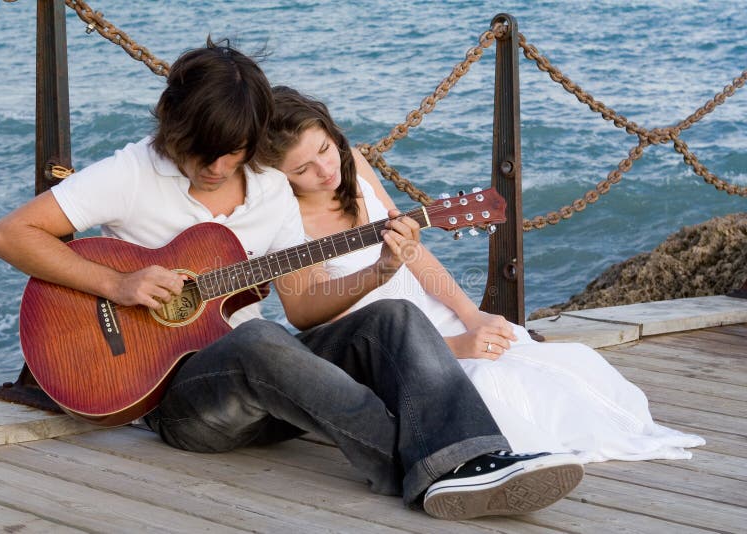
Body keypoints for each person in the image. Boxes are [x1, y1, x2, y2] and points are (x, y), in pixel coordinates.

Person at [0, 39, 584, 520]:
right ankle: (423, 472)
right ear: (174, 129)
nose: (220, 168)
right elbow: (9, 235)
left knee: (391, 317)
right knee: (255, 341)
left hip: (272, 396)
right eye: (205, 154)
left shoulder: (270, 187)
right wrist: (117, 285)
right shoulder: (133, 173)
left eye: (235, 152)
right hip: (182, 403)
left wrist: (380, 270)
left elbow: (302, 310)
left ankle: (477, 457)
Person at [262, 85, 705, 463]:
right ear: (278, 176)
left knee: (560, 363)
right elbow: (316, 318)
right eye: (302, 169)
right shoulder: (284, 214)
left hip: (431, 313)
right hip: (381, 348)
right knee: (491, 388)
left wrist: (471, 317)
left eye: (324, 149)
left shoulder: (354, 163)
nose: (325, 170)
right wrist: (450, 347)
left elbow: (413, 253)